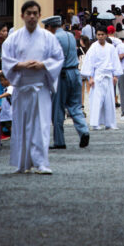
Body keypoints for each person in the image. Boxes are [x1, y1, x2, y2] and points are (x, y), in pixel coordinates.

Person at [1, 1, 64, 175]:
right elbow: (6, 60)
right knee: (21, 125)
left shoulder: (48, 37)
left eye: (35, 13)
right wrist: (20, 65)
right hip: (22, 87)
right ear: (22, 16)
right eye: (28, 13)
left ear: (39, 15)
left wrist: (43, 65)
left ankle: (41, 162)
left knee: (41, 125)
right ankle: (23, 163)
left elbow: (58, 58)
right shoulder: (13, 38)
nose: (32, 16)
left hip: (40, 88)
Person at [46, 16, 90, 150]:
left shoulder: (53, 38)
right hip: (75, 72)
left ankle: (59, 141)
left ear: (50, 27)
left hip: (62, 74)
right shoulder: (71, 36)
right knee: (75, 106)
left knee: (58, 108)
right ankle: (84, 130)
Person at [80, 27, 122, 130]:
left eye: (102, 34)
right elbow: (89, 63)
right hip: (97, 76)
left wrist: (115, 75)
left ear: (106, 35)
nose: (100, 36)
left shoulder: (111, 48)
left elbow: (115, 61)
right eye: (98, 34)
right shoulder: (93, 47)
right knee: (96, 101)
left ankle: (110, 123)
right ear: (96, 35)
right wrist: (90, 77)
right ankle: (95, 123)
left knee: (109, 100)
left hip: (108, 76)